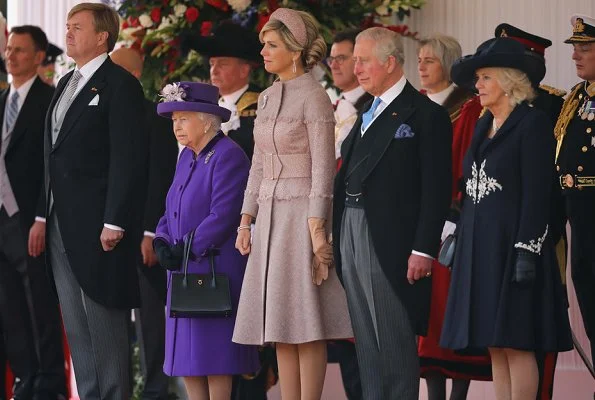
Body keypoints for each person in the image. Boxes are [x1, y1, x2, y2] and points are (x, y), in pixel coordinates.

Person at [440, 37, 573, 400]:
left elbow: (538, 195)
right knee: (495, 344)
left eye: (485, 78)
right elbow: (469, 187)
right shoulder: (484, 125)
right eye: (477, 79)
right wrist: (459, 237)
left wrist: (527, 250)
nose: (477, 86)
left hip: (514, 250)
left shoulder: (531, 125)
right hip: (481, 249)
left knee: (516, 343)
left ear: (507, 81)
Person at [233, 8, 353, 400]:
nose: (264, 52)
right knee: (280, 323)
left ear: (296, 50)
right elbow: (257, 164)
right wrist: (246, 219)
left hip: (302, 217)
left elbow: (323, 171)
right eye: (263, 45)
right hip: (268, 218)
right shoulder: (266, 97)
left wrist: (318, 231)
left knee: (306, 322)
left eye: (272, 45)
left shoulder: (315, 97)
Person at [333, 27, 452, 400]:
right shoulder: (364, 111)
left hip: (390, 238)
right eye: (354, 61)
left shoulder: (425, 114)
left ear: (389, 62)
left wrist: (423, 249)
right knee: (366, 341)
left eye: (363, 60)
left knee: (394, 339)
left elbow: (437, 189)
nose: (357, 69)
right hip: (351, 228)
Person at [44, 3, 148, 399]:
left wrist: (116, 220)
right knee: (75, 321)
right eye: (67, 27)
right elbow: (51, 154)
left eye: (77, 27)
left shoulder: (120, 84)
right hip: (59, 221)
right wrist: (42, 212)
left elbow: (128, 157)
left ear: (102, 35)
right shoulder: (65, 83)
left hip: (100, 224)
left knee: (104, 321)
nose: (68, 34)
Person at [154, 81, 259, 400]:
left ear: (206, 119)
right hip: (184, 270)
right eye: (174, 120)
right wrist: (161, 238)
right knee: (188, 361)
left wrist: (184, 247)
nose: (177, 126)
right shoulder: (187, 156)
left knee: (215, 362)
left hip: (214, 270)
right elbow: (172, 204)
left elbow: (223, 215)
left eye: (183, 118)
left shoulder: (229, 155)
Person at [495, 22, 568, 400]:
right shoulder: (490, 109)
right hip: (496, 236)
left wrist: (542, 234)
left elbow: (551, 181)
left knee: (537, 324)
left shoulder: (553, 106)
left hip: (542, 232)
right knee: (502, 333)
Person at [415, 34, 491, 400]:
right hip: (413, 218)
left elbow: (468, 162)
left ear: (447, 64)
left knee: (448, 307)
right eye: (420, 59)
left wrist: (454, 211)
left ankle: (457, 392)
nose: (422, 66)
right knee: (423, 314)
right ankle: (431, 391)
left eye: (429, 60)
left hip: (450, 220)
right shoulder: (413, 105)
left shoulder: (469, 108)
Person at [0, 25, 67, 400]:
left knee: (39, 302)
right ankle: (24, 378)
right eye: (9, 49)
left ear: (40, 56)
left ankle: (50, 383)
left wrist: (42, 217)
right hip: (0, 219)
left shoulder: (50, 100)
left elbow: (52, 167)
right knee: (8, 303)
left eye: (20, 50)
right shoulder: (0, 100)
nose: (11, 56)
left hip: (29, 219)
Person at [110, 46, 178, 400]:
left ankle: (155, 391)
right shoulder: (103, 115)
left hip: (144, 235)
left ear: (133, 76)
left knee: (152, 321)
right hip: (110, 236)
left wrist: (152, 232)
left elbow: (161, 177)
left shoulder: (157, 117)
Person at [325, 27, 370, 400]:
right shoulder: (332, 105)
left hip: (362, 223)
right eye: (333, 58)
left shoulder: (371, 106)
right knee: (341, 329)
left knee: (363, 328)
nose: (335, 64)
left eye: (343, 57)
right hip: (332, 223)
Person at [555, 13, 595, 372]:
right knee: (588, 296)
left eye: (584, 48)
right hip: (578, 210)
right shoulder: (577, 97)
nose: (575, 55)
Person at [185, 21, 261, 162]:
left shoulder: (262, 106)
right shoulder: (205, 107)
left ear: (244, 70)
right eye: (212, 64)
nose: (214, 71)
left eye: (223, 64)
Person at [329, 28, 372, 163]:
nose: (333, 66)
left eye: (341, 58)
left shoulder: (374, 107)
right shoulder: (332, 108)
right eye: (332, 59)